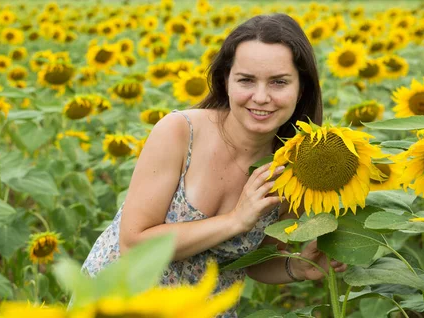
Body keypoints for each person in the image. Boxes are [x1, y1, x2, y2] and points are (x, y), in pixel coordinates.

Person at [80, 13, 347, 317]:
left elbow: (253, 259)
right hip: (123, 302)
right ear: (226, 81)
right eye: (246, 80)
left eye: (279, 82)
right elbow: (135, 245)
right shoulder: (180, 132)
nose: (261, 97)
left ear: (301, 89)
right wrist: (236, 220)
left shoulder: (294, 170)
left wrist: (297, 266)